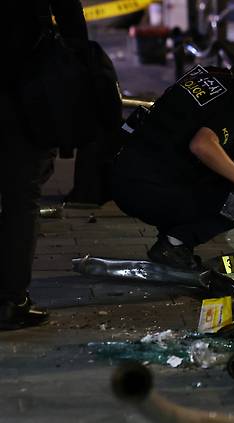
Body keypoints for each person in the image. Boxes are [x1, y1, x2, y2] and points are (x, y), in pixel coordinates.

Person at [111, 49, 234, 269]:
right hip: (147, 187)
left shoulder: (208, 75)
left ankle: (176, 243)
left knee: (214, 177)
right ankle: (172, 245)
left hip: (124, 172)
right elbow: (202, 144)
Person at [0, 0, 88, 330]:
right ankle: (10, 300)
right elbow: (69, 16)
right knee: (20, 199)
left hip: (21, 82)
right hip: (23, 87)